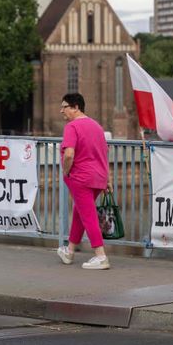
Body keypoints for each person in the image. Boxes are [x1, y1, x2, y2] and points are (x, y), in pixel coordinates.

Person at [56, 93, 111, 270]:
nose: (61, 110)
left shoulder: (72, 127)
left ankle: (101, 256)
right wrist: (107, 179)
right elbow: (103, 153)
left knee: (88, 216)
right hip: (98, 177)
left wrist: (66, 171)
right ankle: (69, 252)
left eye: (64, 106)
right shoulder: (97, 126)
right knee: (80, 213)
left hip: (80, 177)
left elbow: (69, 154)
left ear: (75, 107)